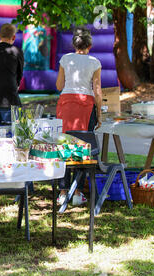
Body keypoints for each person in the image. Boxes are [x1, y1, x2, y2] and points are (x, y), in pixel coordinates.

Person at [55, 26, 102, 206]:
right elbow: (97, 91)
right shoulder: (94, 62)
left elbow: (59, 86)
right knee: (83, 147)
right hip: (86, 103)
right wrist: (99, 113)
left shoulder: (65, 59)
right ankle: (78, 192)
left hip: (66, 103)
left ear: (74, 44)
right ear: (89, 45)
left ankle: (62, 191)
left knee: (64, 146)